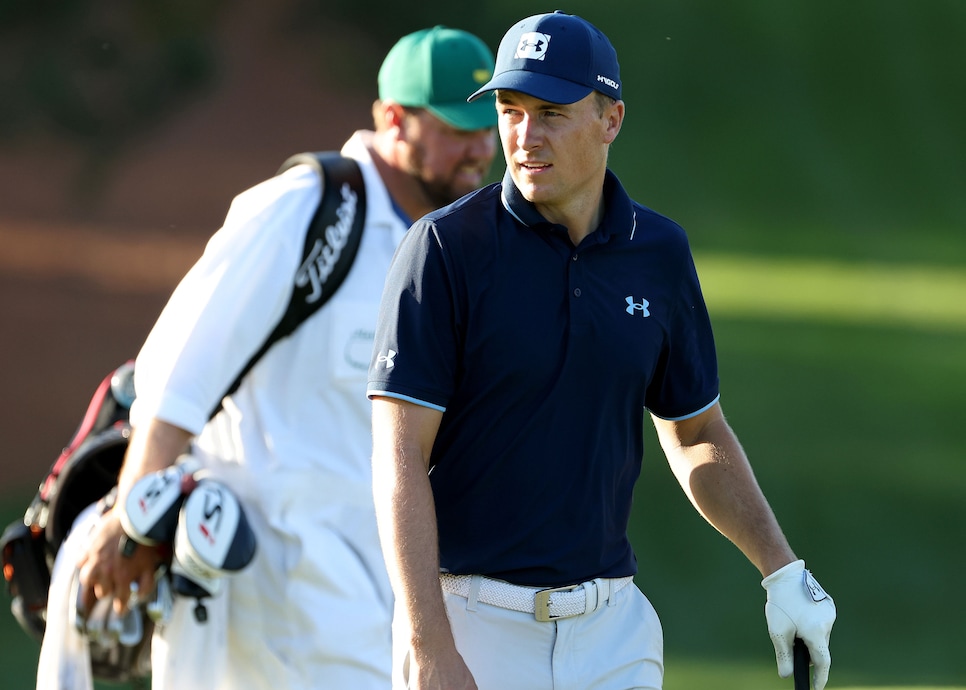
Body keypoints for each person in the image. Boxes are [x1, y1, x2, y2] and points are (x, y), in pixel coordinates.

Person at [367, 11, 836, 690]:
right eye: (510, 109)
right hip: (475, 627)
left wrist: (782, 570)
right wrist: (430, 647)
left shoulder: (658, 253)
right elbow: (399, 455)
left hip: (614, 631)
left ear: (610, 119)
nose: (525, 137)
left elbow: (697, 432)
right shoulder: (444, 250)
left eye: (551, 113)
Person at [70, 25, 498, 690]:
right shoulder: (308, 209)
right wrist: (130, 524)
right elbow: (180, 372)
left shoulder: (457, 250)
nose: (480, 148)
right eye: (456, 127)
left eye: (487, 125)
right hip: (260, 591)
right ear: (392, 118)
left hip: (376, 604)